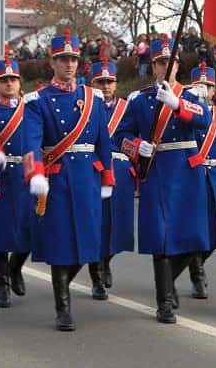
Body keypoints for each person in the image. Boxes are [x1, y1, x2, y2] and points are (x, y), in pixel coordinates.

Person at [113, 35, 211, 324]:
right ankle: (164, 302)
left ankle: (167, 286)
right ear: (152, 66)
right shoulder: (140, 99)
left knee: (195, 239)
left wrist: (177, 104)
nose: (165, 67)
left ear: (178, 66)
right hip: (157, 171)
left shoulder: (193, 95)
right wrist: (136, 147)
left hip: (187, 172)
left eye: (171, 62)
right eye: (160, 62)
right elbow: (119, 136)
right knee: (161, 239)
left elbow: (204, 120)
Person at [22, 29, 115, 331]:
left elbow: (103, 140)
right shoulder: (38, 101)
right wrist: (35, 172)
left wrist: (107, 177)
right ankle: (63, 306)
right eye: (63, 59)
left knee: (88, 241)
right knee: (61, 243)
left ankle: (66, 289)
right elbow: (31, 142)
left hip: (87, 178)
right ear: (52, 62)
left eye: (73, 59)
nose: (69, 65)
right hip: (58, 179)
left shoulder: (93, 98)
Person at [0, 53, 34, 309]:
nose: (9, 84)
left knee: (30, 228)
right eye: (4, 80)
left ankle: (16, 268)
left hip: (25, 174)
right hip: (0, 176)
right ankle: (1, 285)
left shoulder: (31, 108)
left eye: (13, 79)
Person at [185, 62, 216, 299]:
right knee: (196, 229)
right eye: (200, 85)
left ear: (214, 91)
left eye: (208, 86)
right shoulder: (185, 114)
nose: (204, 89)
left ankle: (198, 264)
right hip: (192, 178)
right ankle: (197, 273)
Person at [88, 57, 136, 297]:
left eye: (109, 81)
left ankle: (107, 260)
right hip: (93, 169)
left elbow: (133, 137)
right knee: (96, 223)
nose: (105, 86)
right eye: (100, 82)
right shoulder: (84, 104)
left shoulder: (127, 107)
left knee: (119, 224)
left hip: (121, 173)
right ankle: (96, 275)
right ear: (92, 84)